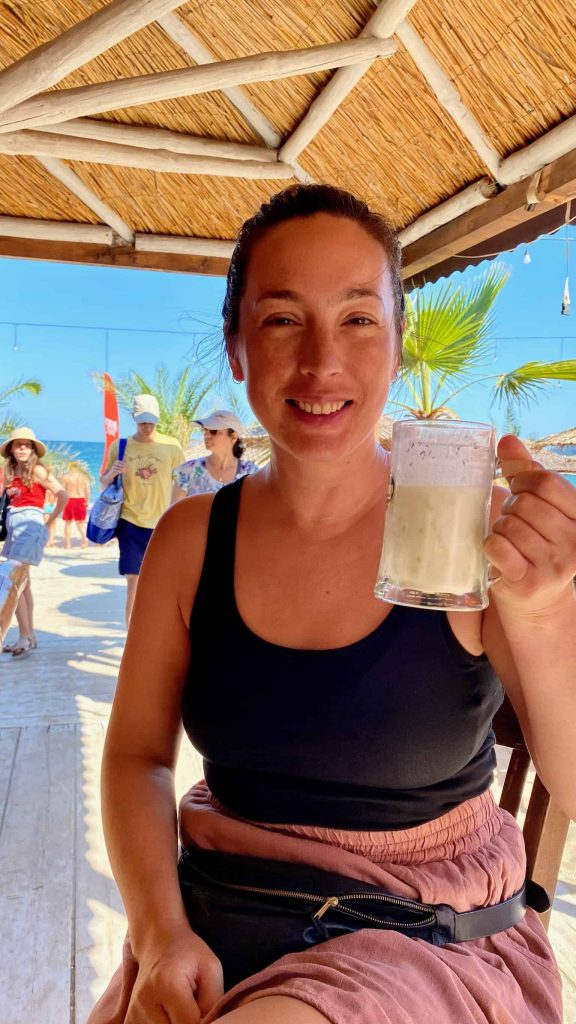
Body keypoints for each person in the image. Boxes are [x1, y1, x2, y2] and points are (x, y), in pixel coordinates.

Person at [88, 185, 575, 1024]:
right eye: (281, 319)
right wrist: (158, 931)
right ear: (236, 349)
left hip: (426, 936)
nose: (322, 363)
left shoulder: (472, 534)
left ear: (396, 341)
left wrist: (542, 612)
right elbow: (137, 756)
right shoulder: (190, 537)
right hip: (219, 911)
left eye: (358, 319)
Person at [100, 394, 183, 626]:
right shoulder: (121, 446)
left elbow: (183, 482)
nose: (147, 427)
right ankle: (131, 637)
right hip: (130, 522)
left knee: (164, 583)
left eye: (151, 422)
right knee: (134, 582)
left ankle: (159, 632)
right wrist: (112, 473)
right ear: (135, 419)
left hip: (163, 523)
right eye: (143, 421)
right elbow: (104, 483)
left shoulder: (171, 446)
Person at [0, 427, 67, 658]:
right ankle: (29, 636)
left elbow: (62, 494)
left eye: (26, 445)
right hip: (13, 526)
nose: (22, 449)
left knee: (13, 579)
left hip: (30, 525)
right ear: (11, 449)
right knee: (23, 583)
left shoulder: (37, 470)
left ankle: (25, 636)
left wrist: (49, 521)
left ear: (32, 449)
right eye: (17, 445)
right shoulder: (11, 471)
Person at [171, 410, 259, 502]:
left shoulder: (251, 473)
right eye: (205, 430)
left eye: (213, 431)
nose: (206, 435)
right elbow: (174, 514)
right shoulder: (187, 471)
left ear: (233, 436)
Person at [61, 461, 92, 549]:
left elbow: (62, 491)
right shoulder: (84, 478)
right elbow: (87, 491)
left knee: (68, 523)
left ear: (70, 467)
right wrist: (87, 501)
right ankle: (84, 540)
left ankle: (67, 544)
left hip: (69, 499)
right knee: (80, 523)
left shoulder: (66, 477)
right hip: (80, 500)